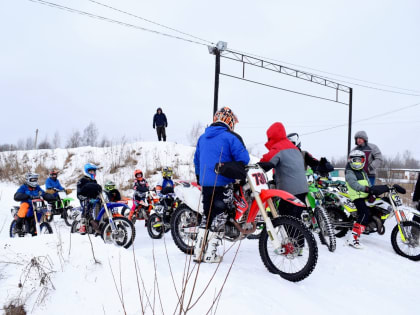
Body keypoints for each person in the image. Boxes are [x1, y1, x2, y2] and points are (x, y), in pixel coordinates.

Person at [193, 106, 250, 263]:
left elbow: (196, 160)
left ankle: (198, 252)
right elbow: (244, 159)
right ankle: (210, 255)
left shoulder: (202, 138)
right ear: (229, 121)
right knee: (220, 217)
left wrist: (200, 178)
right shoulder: (230, 137)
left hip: (206, 184)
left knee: (207, 216)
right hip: (223, 183)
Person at [259, 123, 308, 219]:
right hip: (303, 189)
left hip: (290, 191)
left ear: (272, 136)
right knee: (296, 221)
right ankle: (300, 234)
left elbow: (266, 161)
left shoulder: (278, 147)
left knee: (286, 219)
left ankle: (293, 234)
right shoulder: (294, 148)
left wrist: (255, 167)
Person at [345, 150, 387, 249]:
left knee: (375, 208)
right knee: (364, 213)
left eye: (359, 160)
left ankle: (368, 226)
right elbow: (354, 184)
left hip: (364, 195)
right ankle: (353, 238)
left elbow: (368, 183)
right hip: (357, 196)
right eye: (355, 160)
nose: (357, 162)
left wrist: (371, 192)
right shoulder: (349, 171)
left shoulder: (363, 172)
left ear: (363, 160)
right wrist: (366, 189)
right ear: (351, 160)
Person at [76, 163, 102, 234]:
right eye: (91, 171)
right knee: (87, 211)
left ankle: (101, 223)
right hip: (86, 200)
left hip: (95, 200)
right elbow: (79, 192)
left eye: (93, 171)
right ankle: (82, 226)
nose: (92, 173)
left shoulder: (94, 181)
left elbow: (97, 191)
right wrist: (84, 198)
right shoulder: (82, 180)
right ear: (86, 171)